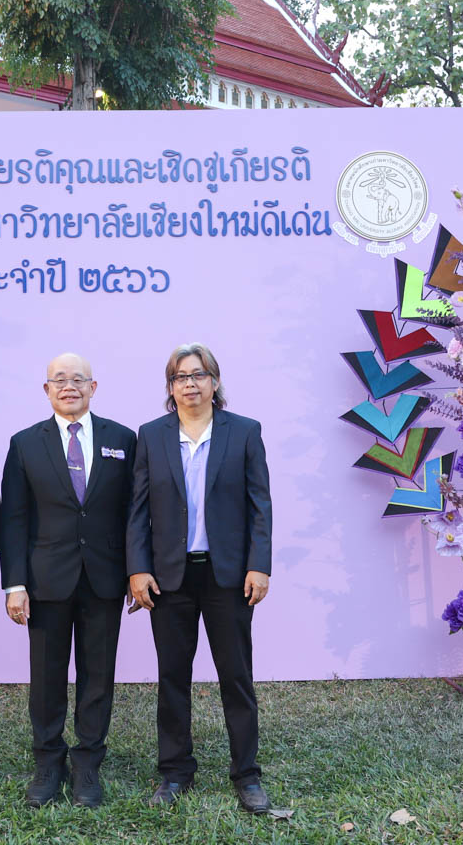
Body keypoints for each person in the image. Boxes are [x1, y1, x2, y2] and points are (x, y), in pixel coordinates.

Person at [126, 343, 273, 815]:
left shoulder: (244, 431)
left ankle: (246, 774)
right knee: (172, 676)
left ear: (214, 381)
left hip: (228, 576)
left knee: (236, 676)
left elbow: (260, 505)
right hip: (169, 578)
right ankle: (175, 771)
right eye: (180, 377)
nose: (189, 384)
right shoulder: (151, 435)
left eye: (198, 374)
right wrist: (137, 569)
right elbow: (138, 510)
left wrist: (260, 565)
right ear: (170, 387)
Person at [0, 353, 136, 808]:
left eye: (78, 379)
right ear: (47, 390)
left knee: (98, 675)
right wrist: (14, 583)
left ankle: (88, 764)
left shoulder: (123, 439)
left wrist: (136, 571)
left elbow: (134, 512)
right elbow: (13, 518)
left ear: (93, 388)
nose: (69, 386)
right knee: (47, 676)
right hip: (45, 580)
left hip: (105, 577)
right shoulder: (24, 444)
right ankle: (48, 762)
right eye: (59, 379)